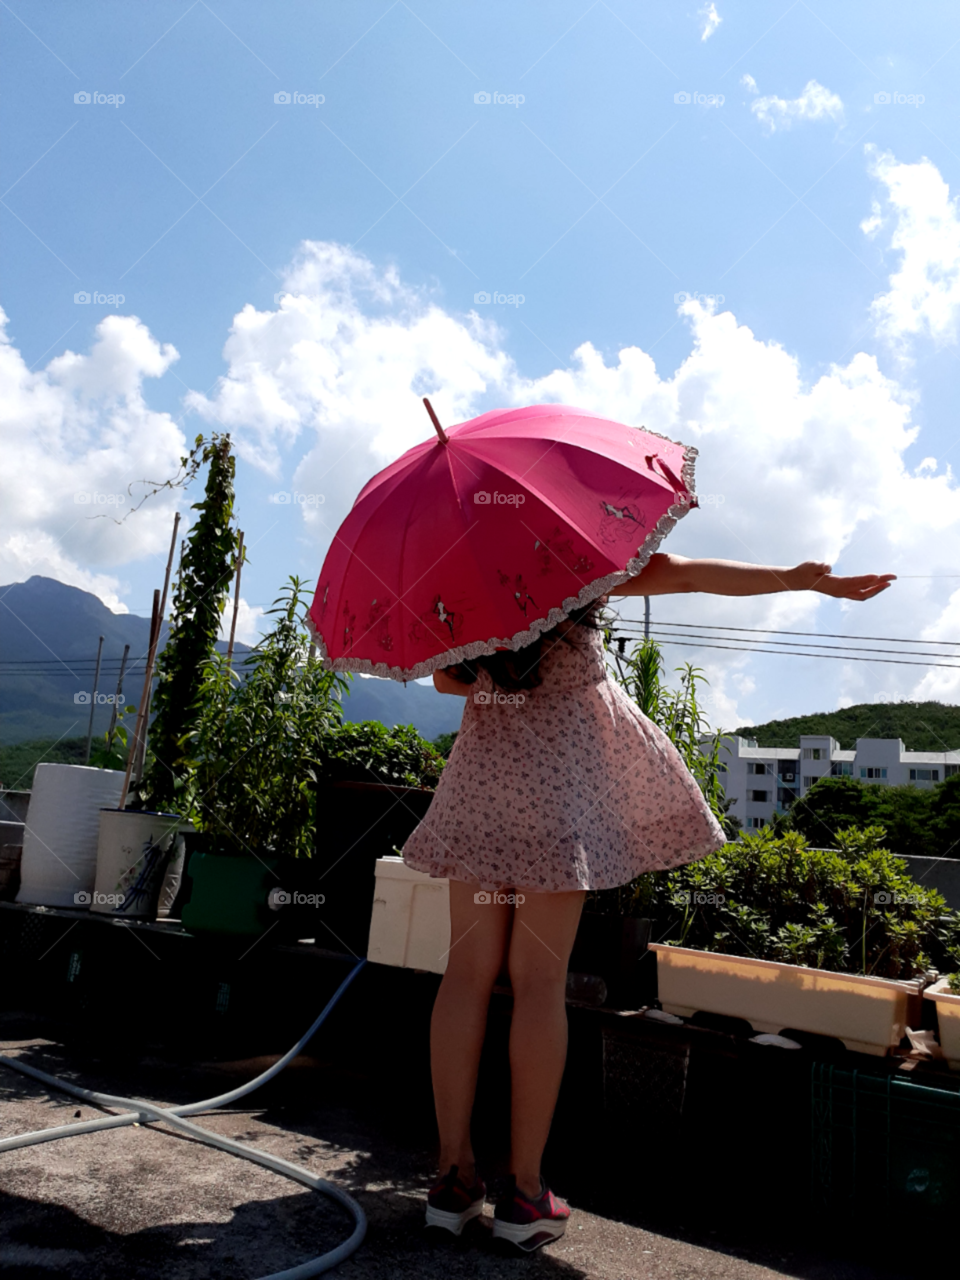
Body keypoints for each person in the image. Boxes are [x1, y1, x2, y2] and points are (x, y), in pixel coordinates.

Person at [400, 552, 895, 1250]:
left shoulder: (462, 573)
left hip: (482, 784)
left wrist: (495, 665)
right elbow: (687, 574)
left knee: (466, 975)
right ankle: (524, 1194)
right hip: (559, 790)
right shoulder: (572, 564)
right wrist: (798, 579)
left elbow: (446, 679)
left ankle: (453, 1180)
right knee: (539, 984)